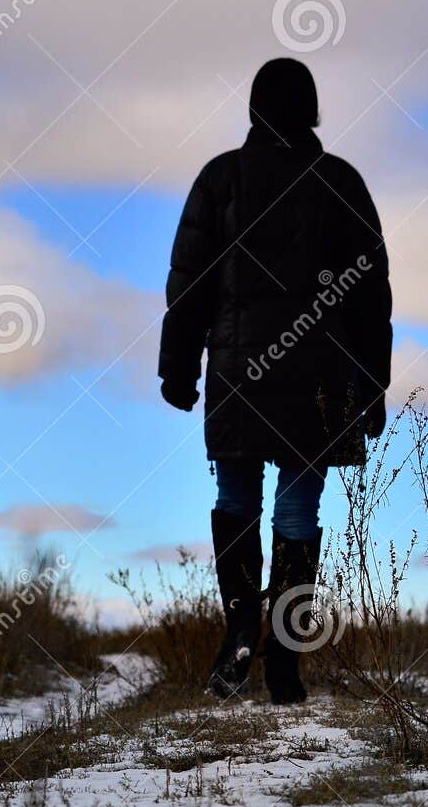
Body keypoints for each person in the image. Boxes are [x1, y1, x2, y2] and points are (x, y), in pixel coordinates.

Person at [157, 58, 392, 705]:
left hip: (237, 371)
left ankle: (239, 632)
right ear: (312, 112)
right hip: (323, 376)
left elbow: (190, 284)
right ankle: (284, 662)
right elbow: (372, 295)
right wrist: (372, 386)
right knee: (297, 511)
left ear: (254, 111)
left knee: (237, 502)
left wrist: (177, 367)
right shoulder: (340, 181)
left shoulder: (221, 179)